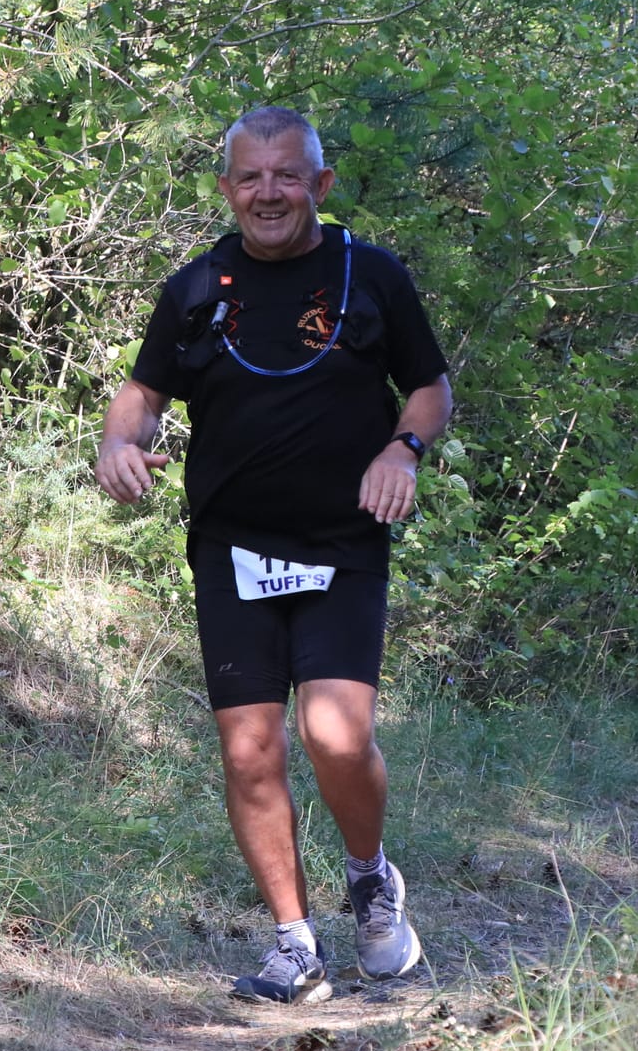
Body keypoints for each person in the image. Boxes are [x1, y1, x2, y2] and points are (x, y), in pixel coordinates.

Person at [94, 106, 453, 1005]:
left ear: (320, 185)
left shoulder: (369, 275)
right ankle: (295, 944)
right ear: (227, 190)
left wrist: (400, 451)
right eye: (250, 177)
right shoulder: (196, 289)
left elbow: (428, 386)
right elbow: (142, 391)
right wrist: (119, 442)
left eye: (286, 175)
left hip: (342, 540)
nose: (268, 193)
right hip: (231, 545)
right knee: (251, 750)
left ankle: (371, 878)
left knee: (336, 734)